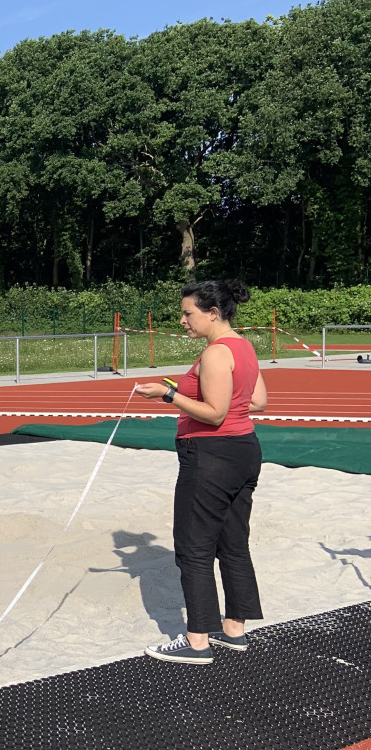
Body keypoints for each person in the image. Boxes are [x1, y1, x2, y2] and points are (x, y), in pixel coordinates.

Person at [135, 280, 267, 665]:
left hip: (211, 455)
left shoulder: (215, 353)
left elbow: (215, 413)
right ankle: (234, 630)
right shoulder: (244, 346)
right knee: (233, 543)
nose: (182, 320)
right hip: (244, 450)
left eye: (188, 313)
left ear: (213, 313)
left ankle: (197, 641)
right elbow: (257, 401)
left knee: (194, 547)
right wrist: (198, 394)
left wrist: (169, 394)